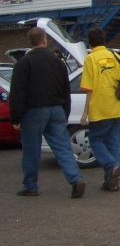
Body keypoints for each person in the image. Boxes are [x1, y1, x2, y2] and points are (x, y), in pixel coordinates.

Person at [9, 27, 86, 198]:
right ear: (45, 40)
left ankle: (31, 186)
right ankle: (75, 179)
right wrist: (65, 112)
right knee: (63, 148)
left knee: (31, 150)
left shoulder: (23, 63)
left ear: (31, 42)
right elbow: (66, 90)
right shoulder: (57, 62)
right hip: (57, 109)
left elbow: (17, 92)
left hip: (33, 111)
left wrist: (16, 117)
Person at [80, 28, 120, 192]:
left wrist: (85, 113)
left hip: (99, 108)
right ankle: (112, 182)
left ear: (90, 42)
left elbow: (89, 89)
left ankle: (111, 166)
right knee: (113, 145)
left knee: (96, 141)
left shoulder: (90, 59)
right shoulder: (115, 56)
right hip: (117, 107)